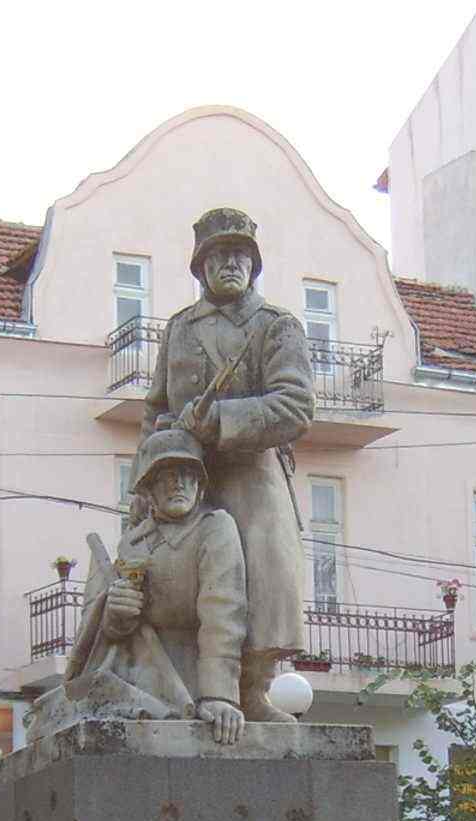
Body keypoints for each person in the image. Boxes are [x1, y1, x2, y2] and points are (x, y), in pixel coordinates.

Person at [142, 207, 314, 723]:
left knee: (264, 574)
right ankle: (184, 687)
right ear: (201, 267)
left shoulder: (276, 326)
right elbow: (154, 409)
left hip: (250, 474)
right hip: (182, 474)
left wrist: (220, 419)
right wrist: (141, 488)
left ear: (254, 264)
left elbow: (295, 407)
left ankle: (252, 689)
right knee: (175, 582)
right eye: (218, 255)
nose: (230, 263)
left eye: (240, 254)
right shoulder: (178, 328)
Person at [61, 426, 249, 745]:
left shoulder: (215, 527)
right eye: (166, 476)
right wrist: (117, 615)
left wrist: (219, 694)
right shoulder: (132, 542)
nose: (178, 483)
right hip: (140, 674)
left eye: (188, 475)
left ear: (200, 485)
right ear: (148, 489)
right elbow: (115, 632)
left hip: (193, 674)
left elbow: (223, 614)